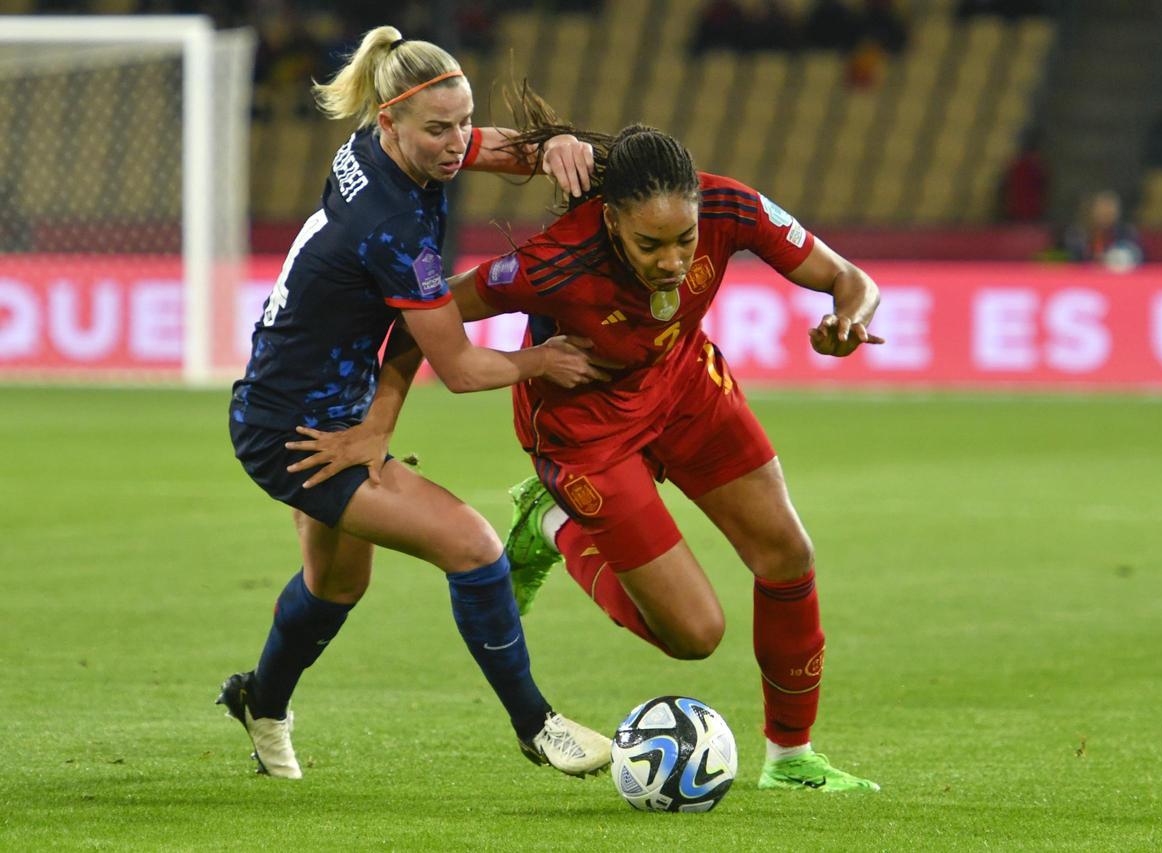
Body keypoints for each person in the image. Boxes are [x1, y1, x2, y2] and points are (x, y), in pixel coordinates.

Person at [303, 112, 886, 793]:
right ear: (611, 222)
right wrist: (379, 423)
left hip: (684, 387)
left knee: (788, 555)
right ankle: (549, 522)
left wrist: (851, 319)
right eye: (651, 244)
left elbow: (849, 279)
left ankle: (790, 758)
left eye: (686, 240)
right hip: (585, 432)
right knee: (694, 634)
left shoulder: (733, 205)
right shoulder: (554, 263)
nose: (673, 261)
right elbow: (424, 315)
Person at [219, 26, 614, 781]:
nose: (458, 142)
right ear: (390, 120)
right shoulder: (392, 229)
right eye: (439, 128)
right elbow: (459, 367)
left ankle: (260, 702)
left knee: (337, 584)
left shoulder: (377, 152)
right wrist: (541, 360)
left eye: (463, 120)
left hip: (303, 399)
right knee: (473, 546)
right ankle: (537, 724)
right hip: (298, 431)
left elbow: (504, 149)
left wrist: (561, 144)